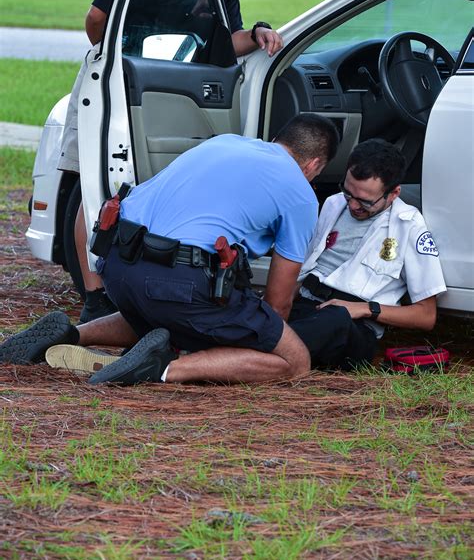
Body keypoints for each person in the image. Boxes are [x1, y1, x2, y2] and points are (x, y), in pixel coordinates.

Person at [58, 0, 284, 324]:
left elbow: (223, 42)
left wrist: (257, 33)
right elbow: (96, 17)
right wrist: (114, 62)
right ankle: (93, 296)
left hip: (163, 88)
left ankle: (133, 284)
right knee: (94, 186)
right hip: (112, 85)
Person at [1, 114, 340, 385]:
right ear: (313, 166)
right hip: (177, 279)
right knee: (294, 361)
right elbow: (278, 302)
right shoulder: (300, 192)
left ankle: (72, 334)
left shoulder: (226, 143)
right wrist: (257, 333)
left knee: (170, 307)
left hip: (118, 262)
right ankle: (162, 368)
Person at [288, 139, 447, 370]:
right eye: (348, 193)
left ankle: (259, 353)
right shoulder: (333, 204)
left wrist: (365, 309)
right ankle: (264, 352)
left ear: (393, 193)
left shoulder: (409, 226)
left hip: (353, 325)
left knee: (335, 320)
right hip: (308, 305)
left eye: (365, 201)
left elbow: (426, 316)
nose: (353, 205)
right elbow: (306, 266)